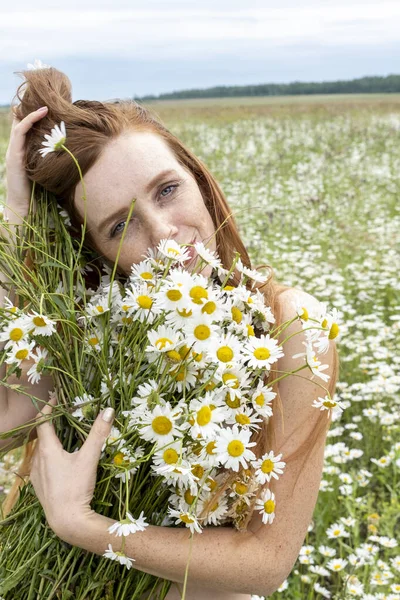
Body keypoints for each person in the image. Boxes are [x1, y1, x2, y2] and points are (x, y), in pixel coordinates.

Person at [0, 65, 339, 600]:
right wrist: (17, 223)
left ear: (198, 178)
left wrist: (81, 525)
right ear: (97, 252)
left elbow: (267, 562)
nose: (164, 236)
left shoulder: (292, 328)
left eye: (167, 190)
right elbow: (4, 421)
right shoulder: (92, 331)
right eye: (120, 224)